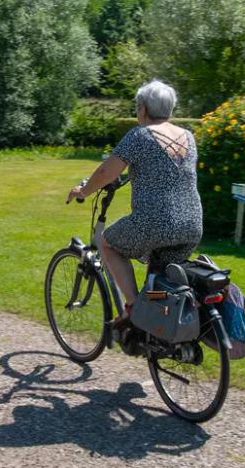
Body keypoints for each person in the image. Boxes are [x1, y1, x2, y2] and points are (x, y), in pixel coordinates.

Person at [66, 80, 202, 324]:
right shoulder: (188, 137)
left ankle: (132, 308)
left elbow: (106, 172)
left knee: (106, 243)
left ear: (143, 109)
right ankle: (156, 328)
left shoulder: (140, 135)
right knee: (159, 279)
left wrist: (83, 191)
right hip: (191, 225)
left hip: (154, 222)